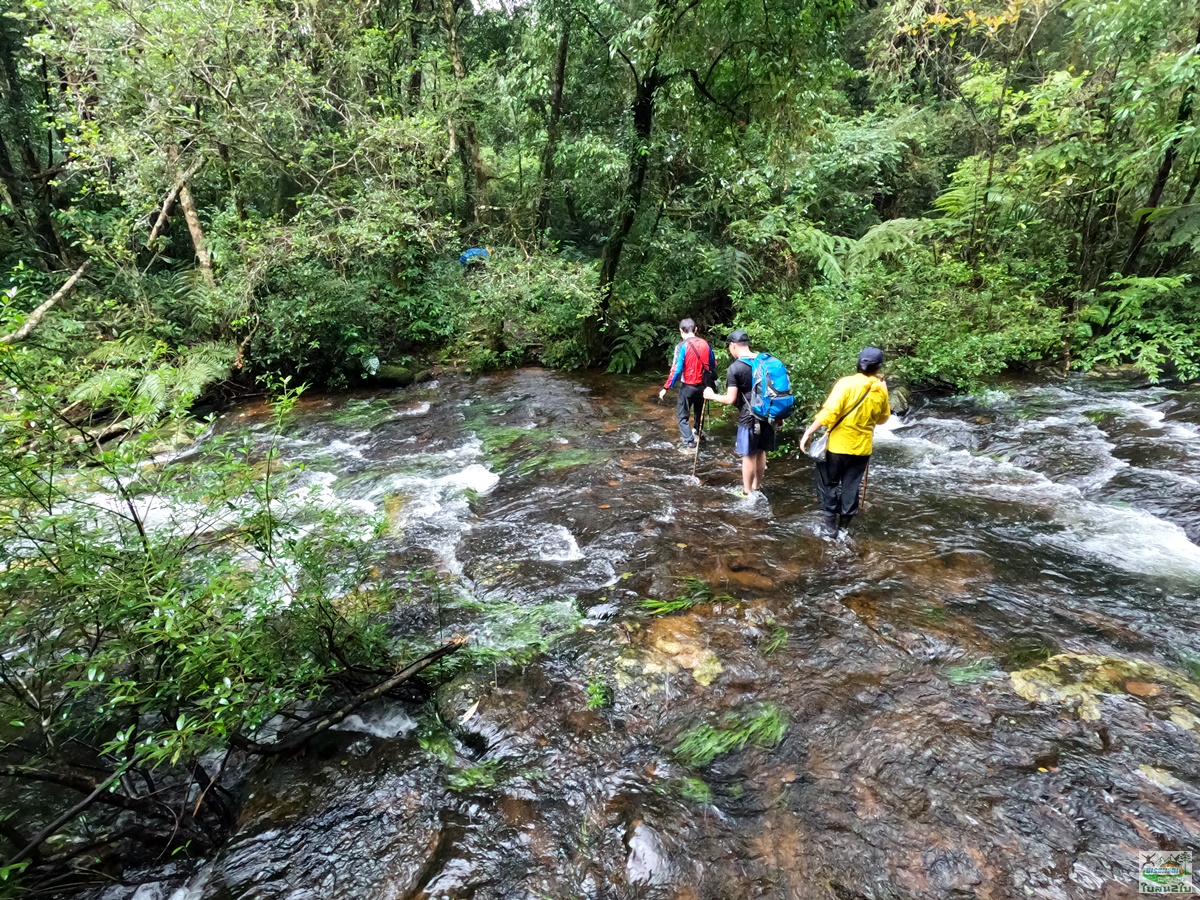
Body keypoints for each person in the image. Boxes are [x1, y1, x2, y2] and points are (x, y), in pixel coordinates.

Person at [799, 347, 891, 537]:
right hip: (863, 448)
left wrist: (809, 432)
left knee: (829, 482)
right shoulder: (880, 389)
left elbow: (830, 412)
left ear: (859, 363)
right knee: (851, 486)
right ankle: (844, 529)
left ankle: (830, 527)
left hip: (838, 446)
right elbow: (883, 419)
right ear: (878, 368)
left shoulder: (846, 384)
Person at [703, 329, 775, 497]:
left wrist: (712, 396)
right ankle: (757, 487)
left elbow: (730, 399)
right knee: (761, 451)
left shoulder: (735, 368)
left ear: (733, 346)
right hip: (768, 414)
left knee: (748, 455)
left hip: (749, 417)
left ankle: (747, 492)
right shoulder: (765, 361)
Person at [658, 319, 716, 451]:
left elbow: (676, 370)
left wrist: (666, 387)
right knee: (698, 411)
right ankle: (699, 434)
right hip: (703, 386)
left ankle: (690, 443)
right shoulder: (705, 344)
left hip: (688, 386)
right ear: (696, 329)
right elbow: (712, 364)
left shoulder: (681, 347)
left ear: (681, 331)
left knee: (682, 416)